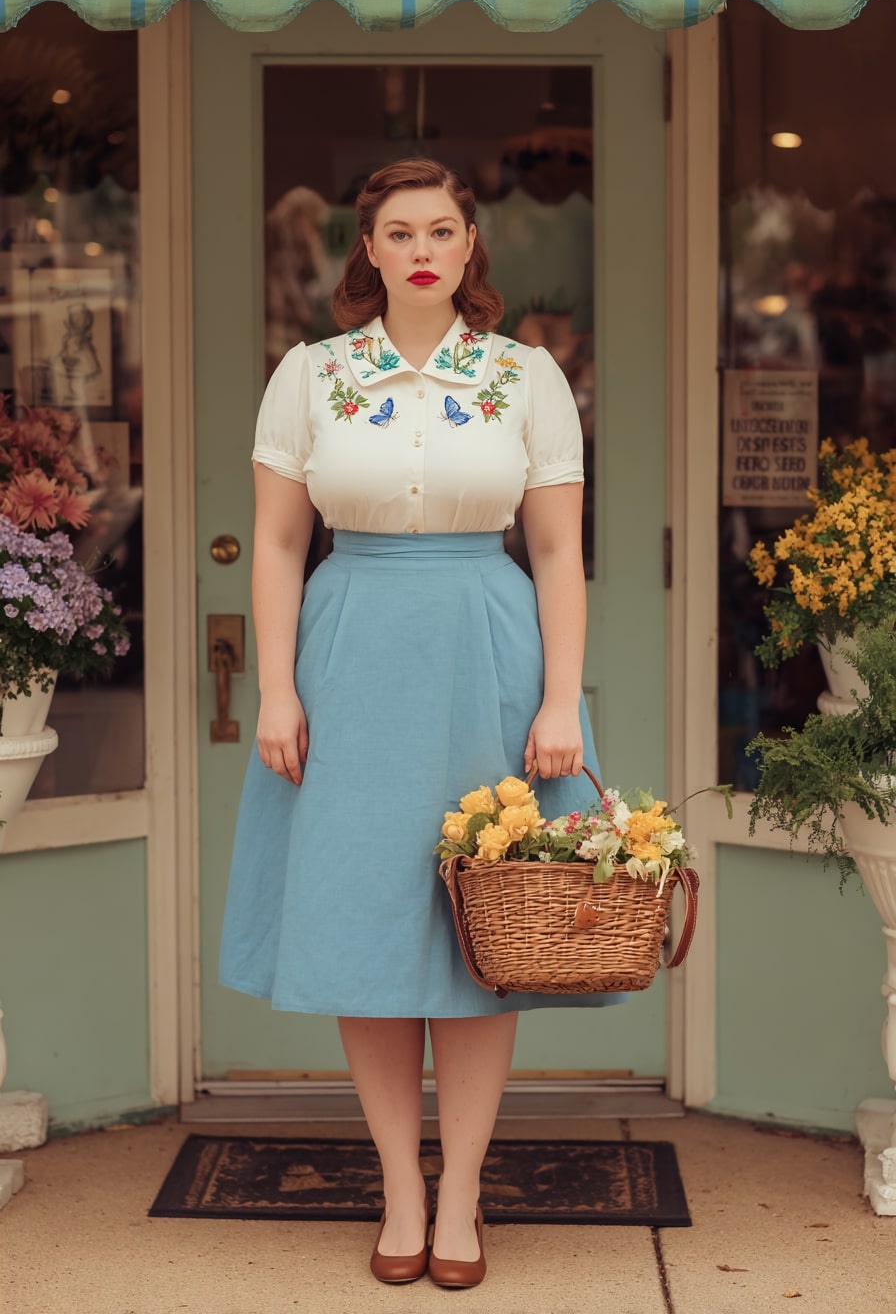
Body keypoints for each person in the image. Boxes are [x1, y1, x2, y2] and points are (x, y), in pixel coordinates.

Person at [219, 158, 623, 1289]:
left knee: (479, 937)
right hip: (348, 659)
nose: (420, 250)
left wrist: (559, 699)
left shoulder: (523, 375)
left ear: (468, 245)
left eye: (440, 229)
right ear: (368, 251)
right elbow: (282, 544)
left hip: (484, 658)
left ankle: (464, 1192)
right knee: (365, 933)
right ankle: (401, 1185)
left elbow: (553, 550)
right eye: (398, 233)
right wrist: (279, 688)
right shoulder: (307, 376)